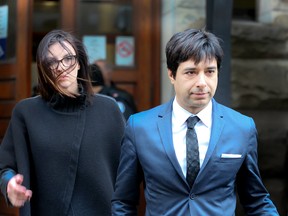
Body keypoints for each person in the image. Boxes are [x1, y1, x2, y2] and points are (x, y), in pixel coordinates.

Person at [111, 28, 279, 215]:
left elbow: (256, 200)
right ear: (172, 74)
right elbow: (123, 202)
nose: (202, 82)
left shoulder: (241, 127)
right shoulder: (139, 127)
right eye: (191, 72)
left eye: (209, 72)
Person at [0, 29, 125, 216]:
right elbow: (5, 166)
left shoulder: (108, 109)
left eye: (68, 58)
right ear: (43, 68)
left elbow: (129, 168)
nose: (61, 67)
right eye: (51, 62)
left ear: (79, 63)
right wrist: (9, 183)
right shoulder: (26, 112)